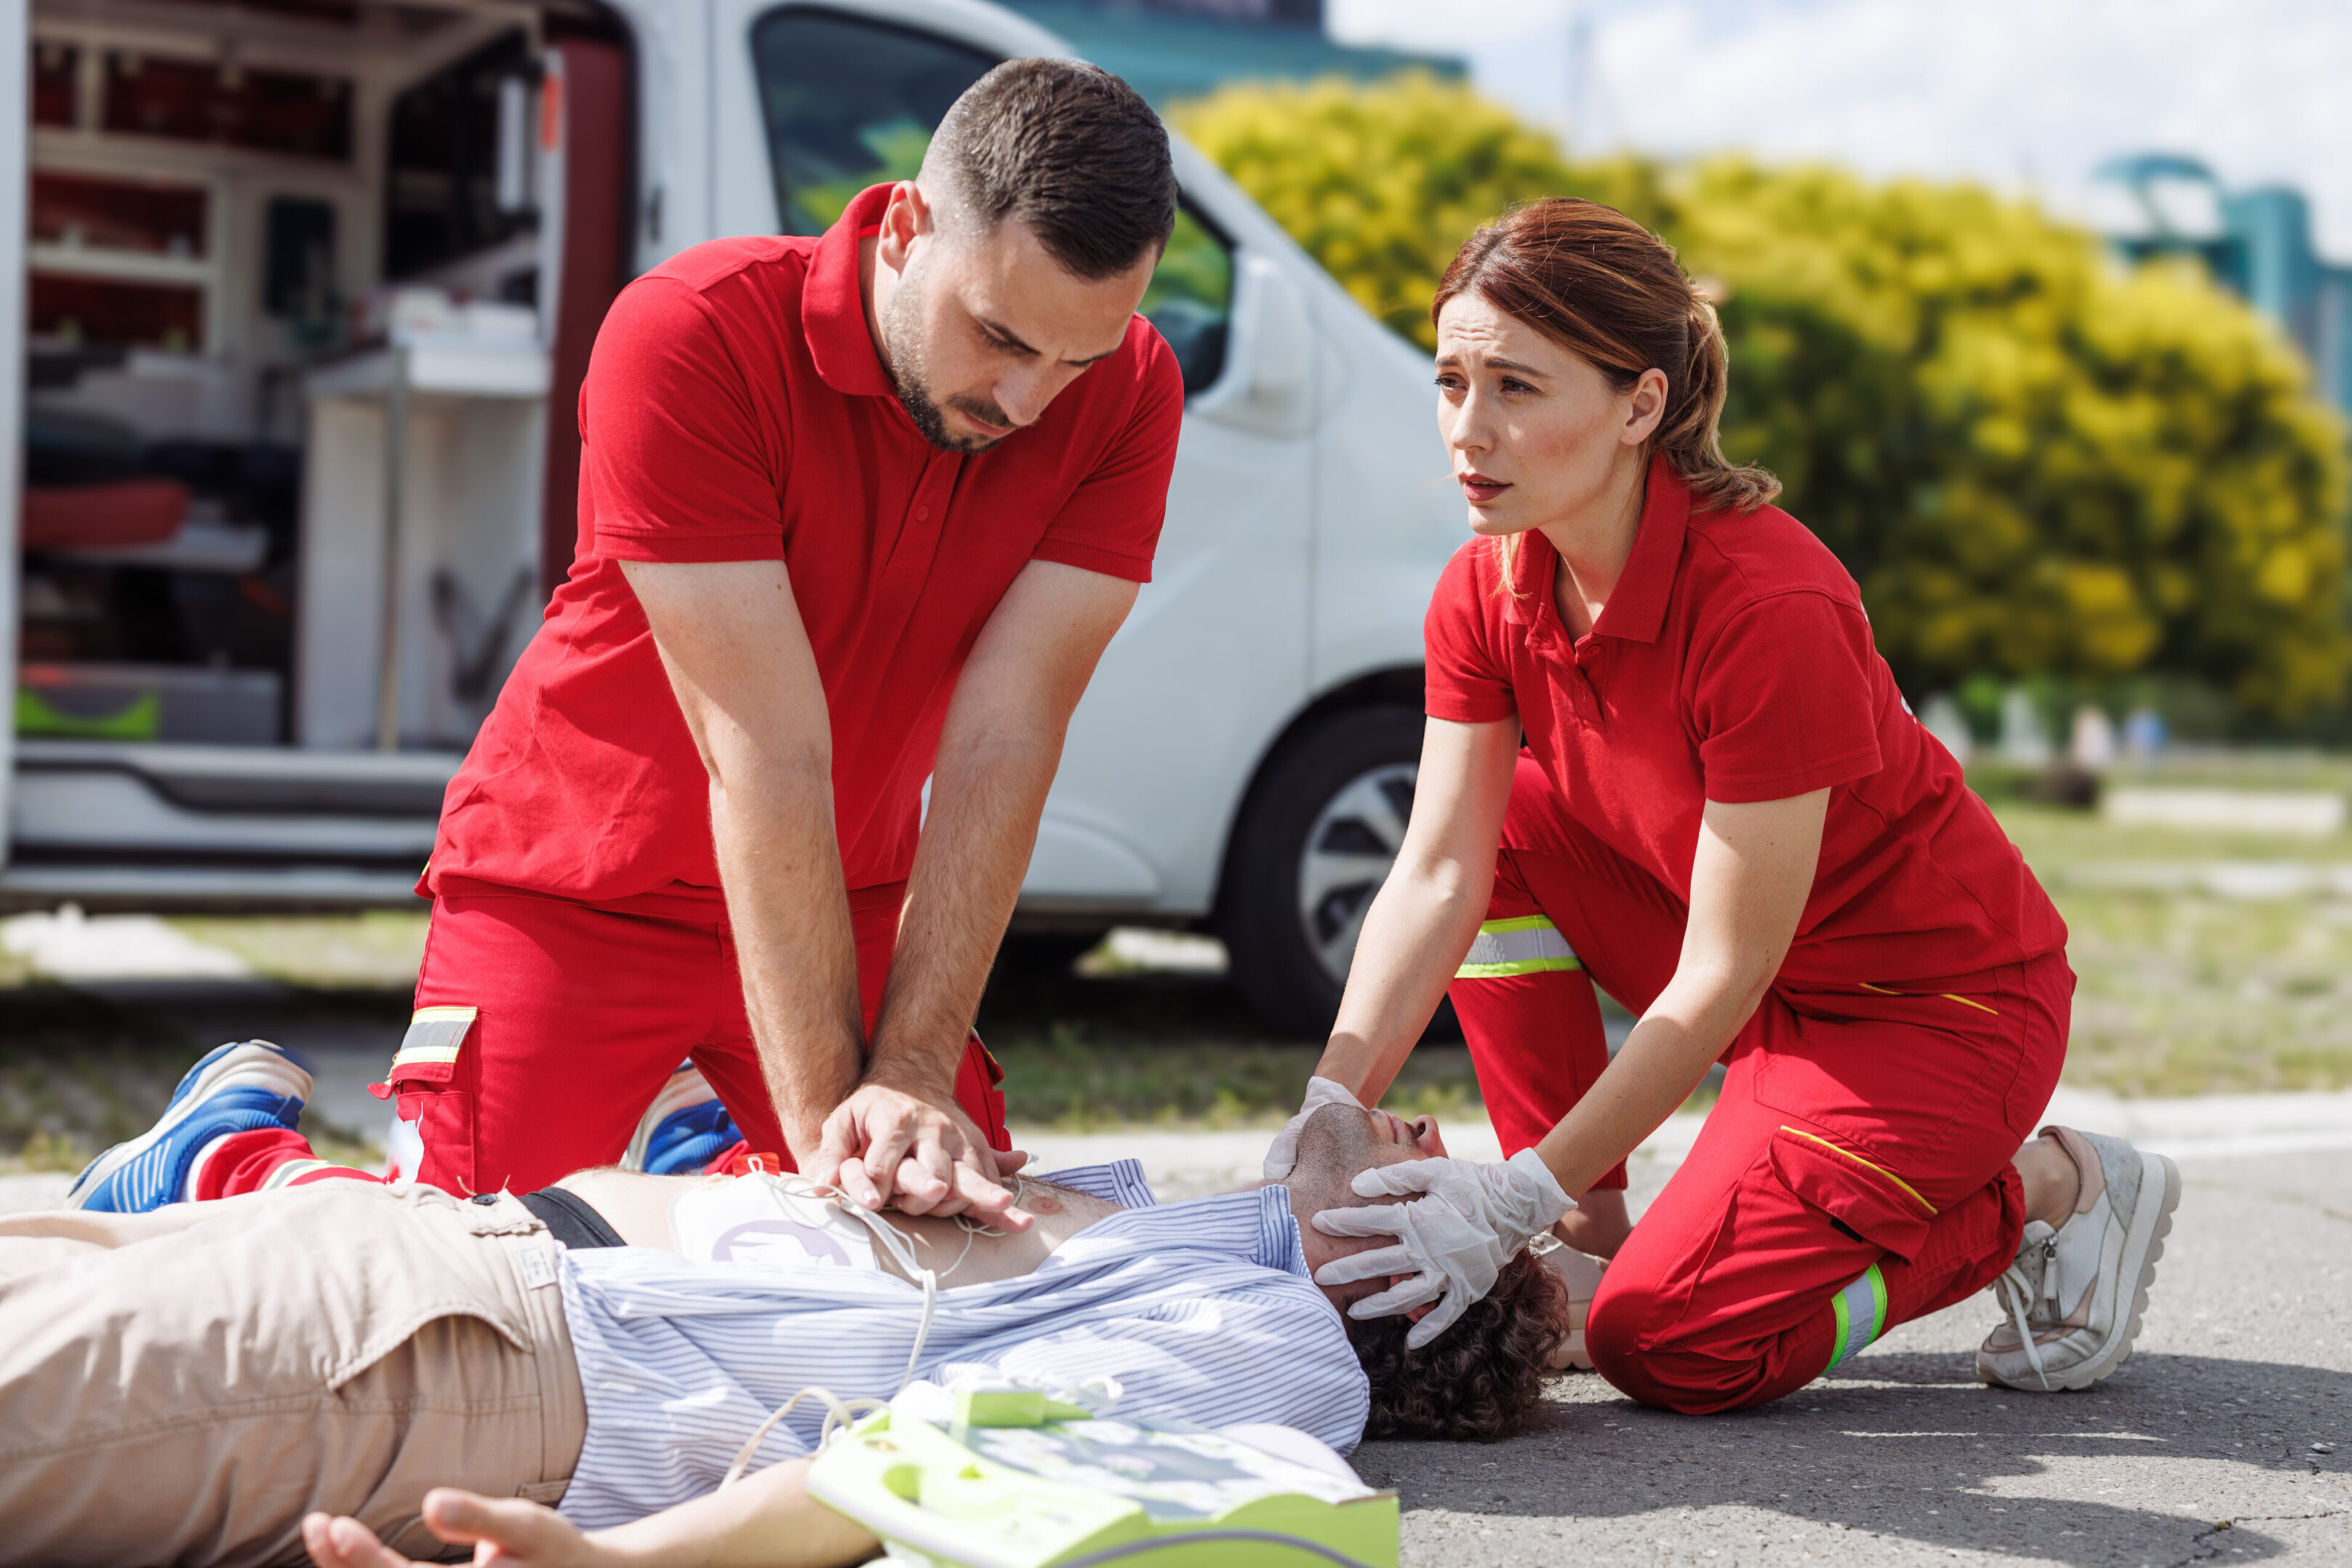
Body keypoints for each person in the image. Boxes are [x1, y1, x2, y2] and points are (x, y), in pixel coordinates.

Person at [120, 59, 1187, 1222]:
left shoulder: (1130, 391)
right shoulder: (691, 334)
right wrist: (841, 1148)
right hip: (581, 888)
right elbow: (765, 755)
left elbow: (1008, 731)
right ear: (906, 227)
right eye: (997, 337)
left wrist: (917, 1070)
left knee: (962, 1248)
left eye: (1072, 360)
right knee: (464, 1271)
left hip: (851, 890)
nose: (1028, 400)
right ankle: (219, 1160)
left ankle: (699, 1164)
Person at [1266, 197, 2180, 1413]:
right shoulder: (1484, 588)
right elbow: (1437, 873)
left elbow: (1721, 973)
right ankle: (1591, 1221)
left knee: (1667, 1346)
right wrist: (1332, 1103)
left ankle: (2048, 1192)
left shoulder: (1769, 607)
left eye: (1518, 390)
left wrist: (1510, 1192)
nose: (1467, 433)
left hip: (1928, 1015)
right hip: (1755, 992)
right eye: (1450, 382)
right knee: (1513, 826)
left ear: (1642, 405)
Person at [7, 1041, 1571, 1567]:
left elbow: (934, 1457)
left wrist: (618, 1563)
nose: (1433, 1130)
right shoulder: (1168, 1216)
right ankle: (228, 1165)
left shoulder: (1285, 1341)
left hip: (457, 1357)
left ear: (1405, 1288)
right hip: (442, 1255)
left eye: (1447, 1172)